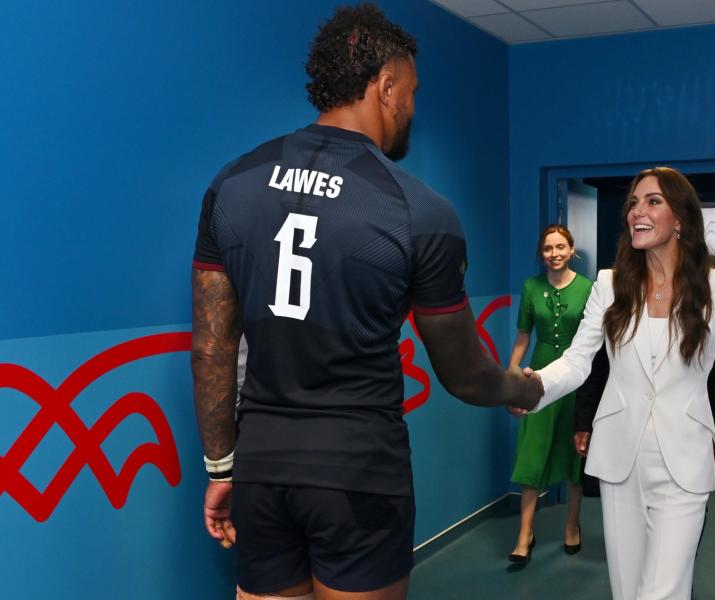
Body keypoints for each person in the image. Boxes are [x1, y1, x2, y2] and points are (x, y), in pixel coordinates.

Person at [190, 6, 541, 599]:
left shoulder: (234, 183)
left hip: (262, 469)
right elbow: (464, 377)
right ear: (384, 85)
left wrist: (223, 468)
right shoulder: (420, 211)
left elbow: (211, 348)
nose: (410, 107)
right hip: (358, 474)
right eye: (410, 90)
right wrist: (523, 388)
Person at [520, 167, 715, 600]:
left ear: (680, 217)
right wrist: (532, 388)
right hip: (619, 457)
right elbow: (577, 361)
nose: (636, 212)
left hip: (685, 460)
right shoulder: (610, 284)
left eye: (652, 201)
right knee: (627, 591)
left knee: (662, 591)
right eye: (633, 202)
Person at [507, 225, 592, 564]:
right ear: (541, 254)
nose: (554, 253)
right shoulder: (531, 287)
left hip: (576, 380)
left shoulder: (589, 288)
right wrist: (511, 380)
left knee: (575, 455)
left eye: (560, 247)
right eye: (547, 249)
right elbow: (523, 338)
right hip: (538, 377)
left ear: (572, 250)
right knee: (532, 454)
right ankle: (524, 533)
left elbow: (594, 343)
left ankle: (573, 525)